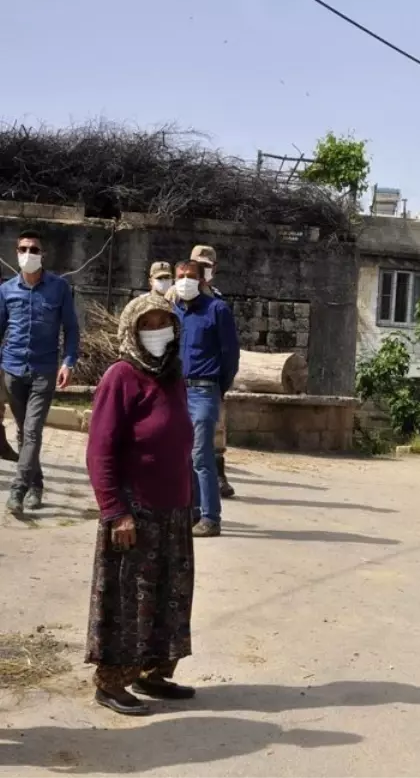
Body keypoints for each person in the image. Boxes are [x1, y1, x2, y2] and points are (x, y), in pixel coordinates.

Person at [85, 293, 196, 716]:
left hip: (174, 510)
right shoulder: (121, 376)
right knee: (128, 601)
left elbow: (182, 441)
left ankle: (153, 673)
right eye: (147, 325)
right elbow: (100, 451)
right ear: (132, 330)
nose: (156, 332)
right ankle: (111, 683)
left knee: (169, 595)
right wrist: (115, 510)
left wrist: (193, 500)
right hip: (134, 512)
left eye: (162, 324)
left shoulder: (174, 375)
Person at [0, 230, 80, 515]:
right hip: (12, 370)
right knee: (23, 432)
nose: (28, 254)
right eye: (23, 249)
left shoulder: (59, 288)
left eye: (34, 249)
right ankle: (37, 484)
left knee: (32, 431)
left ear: (42, 254)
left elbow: (71, 329)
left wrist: (68, 363)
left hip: (44, 370)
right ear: (16, 252)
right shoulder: (7, 290)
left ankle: (18, 489)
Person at [174, 259, 239, 537]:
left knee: (201, 456)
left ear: (202, 281)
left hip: (204, 391)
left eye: (190, 276)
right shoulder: (175, 312)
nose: (184, 281)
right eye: (180, 276)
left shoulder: (217, 311)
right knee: (183, 457)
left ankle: (212, 517)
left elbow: (230, 356)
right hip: (178, 391)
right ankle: (194, 511)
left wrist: (218, 388)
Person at [190, 245, 236, 499]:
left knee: (217, 428)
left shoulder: (218, 301)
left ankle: (217, 475)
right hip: (184, 376)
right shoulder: (177, 295)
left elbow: (229, 347)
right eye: (199, 265)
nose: (203, 270)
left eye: (207, 266)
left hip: (210, 376)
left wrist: (223, 382)